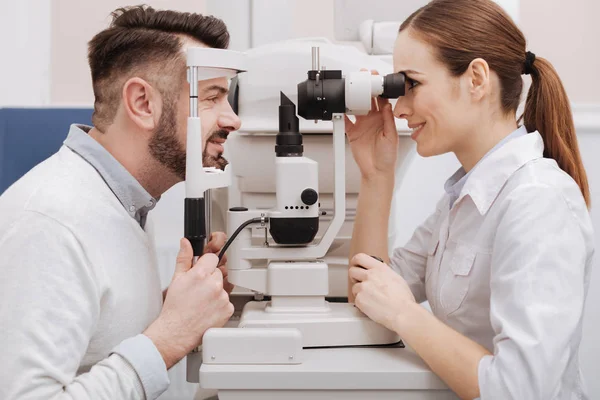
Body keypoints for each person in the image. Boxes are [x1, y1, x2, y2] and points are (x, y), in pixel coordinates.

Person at [346, 0, 594, 399]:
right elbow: (369, 293)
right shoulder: (463, 199)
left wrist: (406, 315)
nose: (401, 107)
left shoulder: (537, 202)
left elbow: (521, 391)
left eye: (411, 85)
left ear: (476, 78)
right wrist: (376, 176)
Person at [0, 6, 241, 400]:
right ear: (143, 103)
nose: (233, 120)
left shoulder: (121, 203)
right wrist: (168, 338)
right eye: (212, 98)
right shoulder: (49, 221)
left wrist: (180, 310)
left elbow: (96, 347)